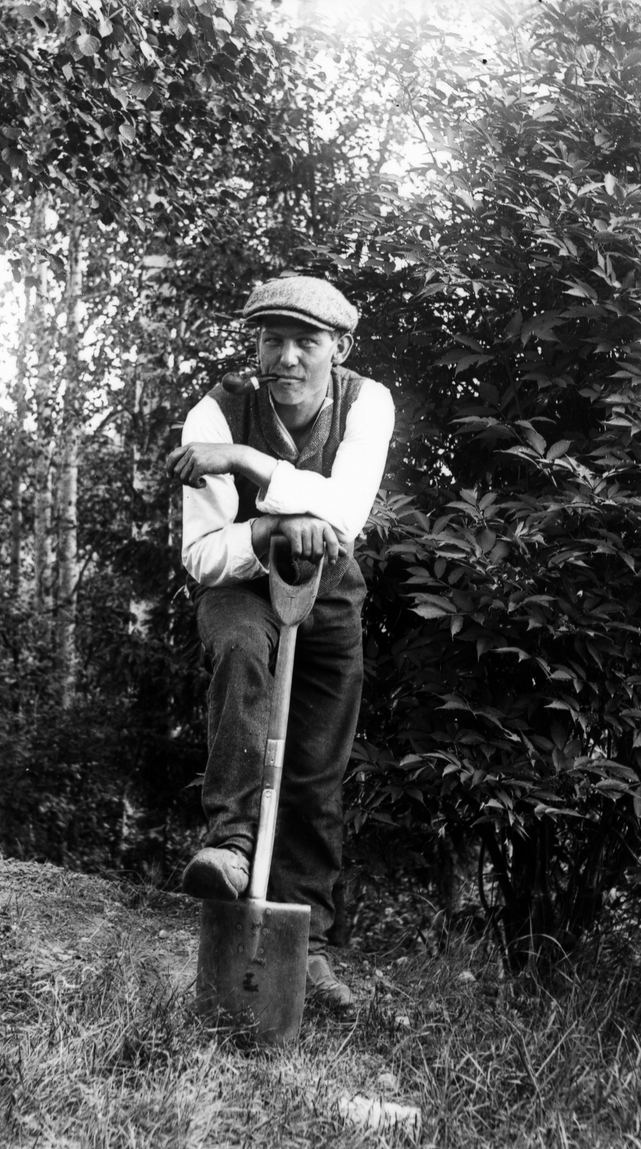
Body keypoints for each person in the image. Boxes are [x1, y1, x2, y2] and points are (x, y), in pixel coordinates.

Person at [167, 276, 394, 1011]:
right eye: (273, 341)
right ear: (257, 346)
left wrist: (246, 462)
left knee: (316, 770)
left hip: (329, 594)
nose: (287, 357)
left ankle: (309, 949)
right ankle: (230, 846)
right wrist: (267, 530)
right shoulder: (214, 412)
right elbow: (203, 555)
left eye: (307, 342)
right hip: (243, 587)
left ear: (340, 349)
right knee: (240, 649)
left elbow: (343, 512)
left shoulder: (367, 403)